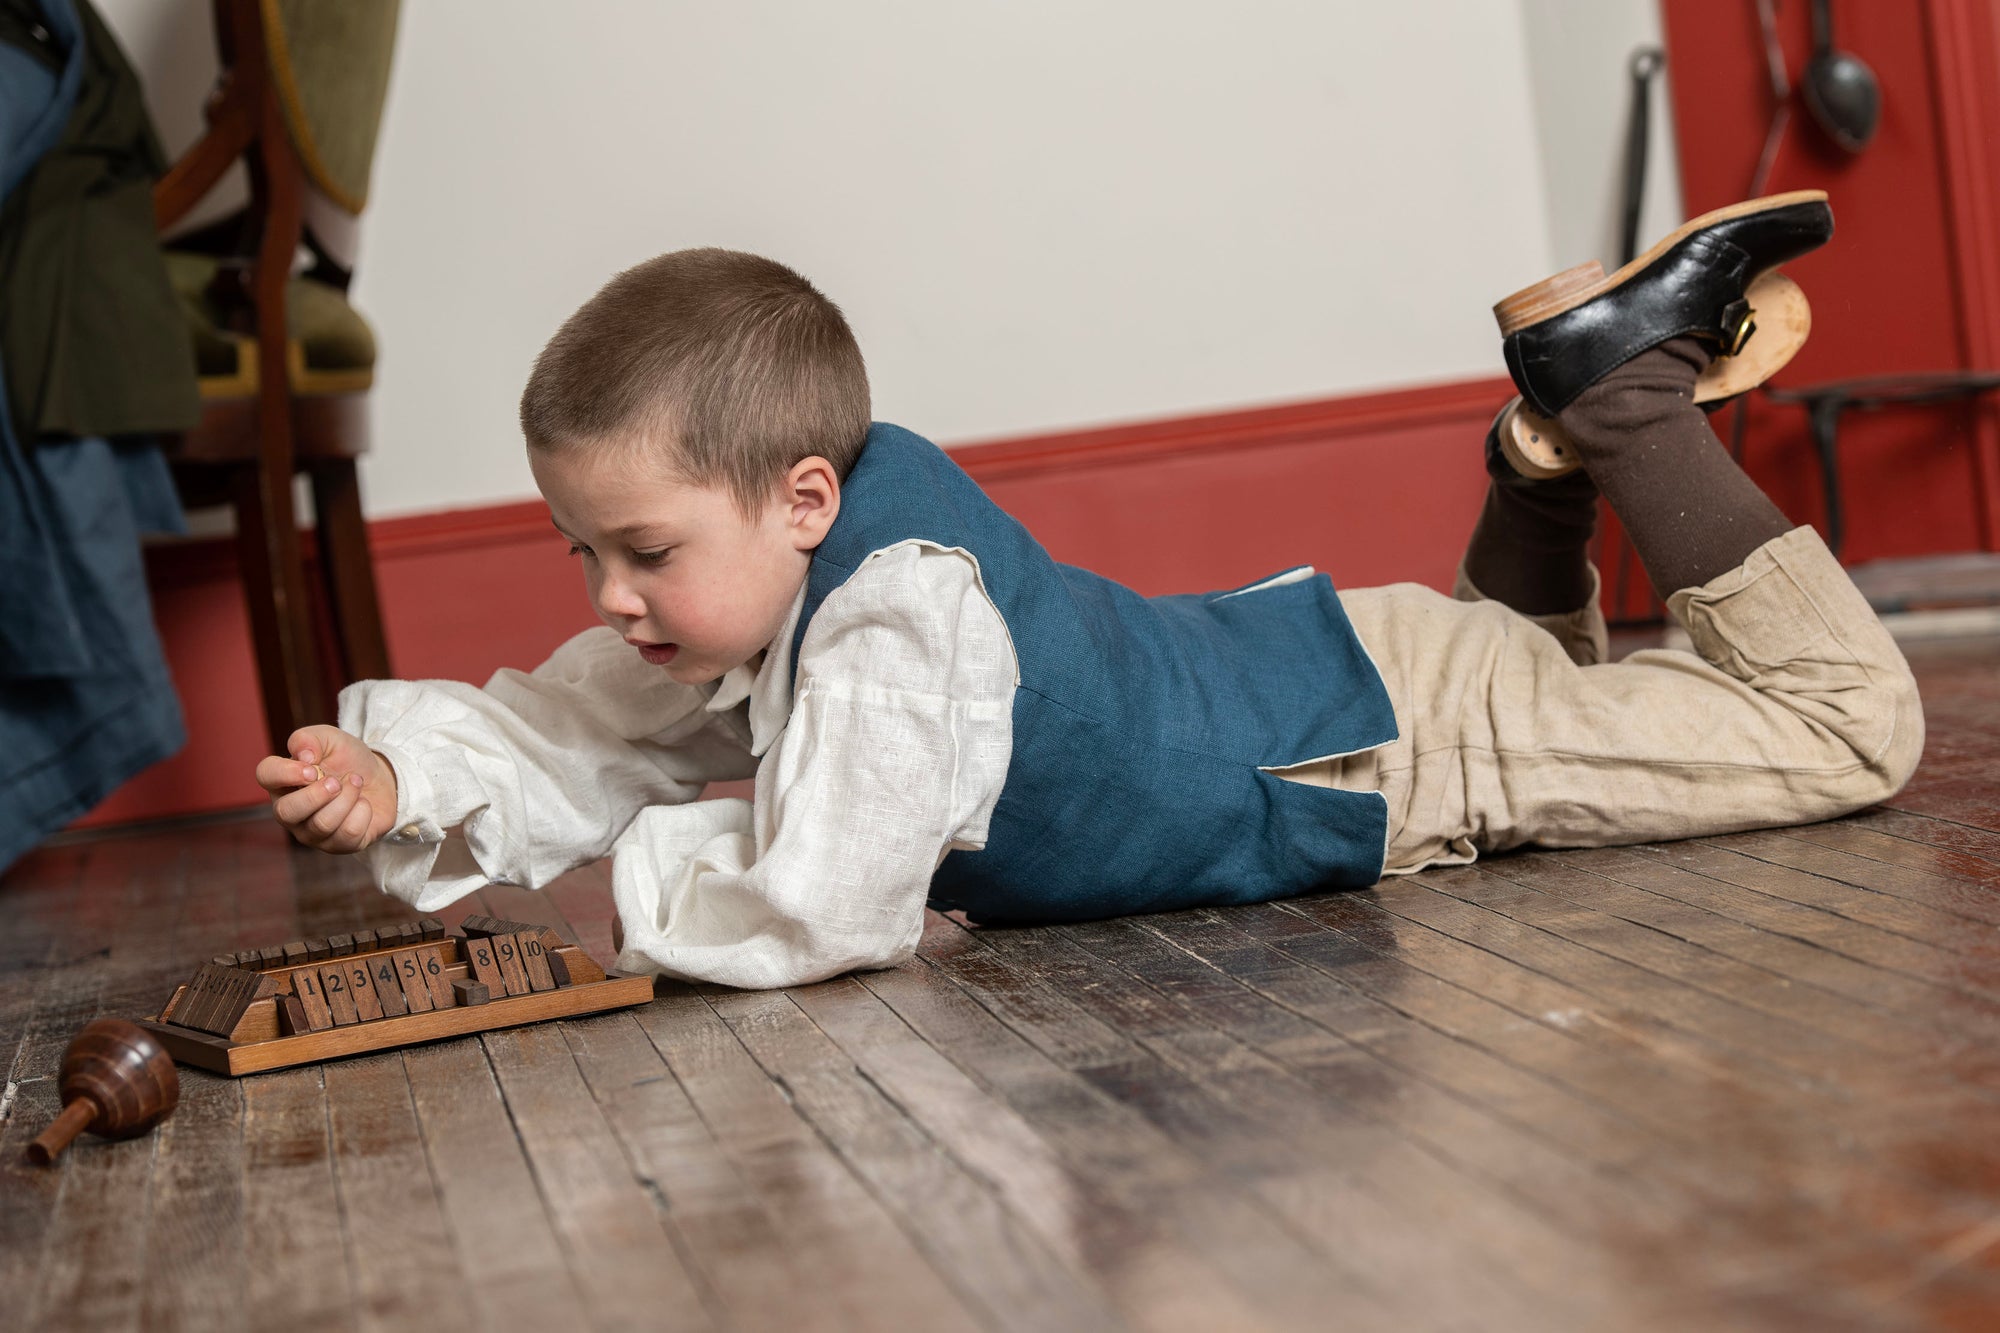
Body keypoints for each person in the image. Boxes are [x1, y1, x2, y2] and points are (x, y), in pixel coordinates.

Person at [256, 192, 1923, 990]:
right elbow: (580, 724)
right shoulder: (785, 552)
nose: (615, 595)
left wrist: (629, 894)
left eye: (645, 551)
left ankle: (1619, 393)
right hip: (1355, 664)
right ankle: (1545, 469)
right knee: (1554, 673)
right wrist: (406, 774)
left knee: (1850, 726)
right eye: (587, 553)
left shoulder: (895, 622)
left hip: (1390, 743)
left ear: (801, 498)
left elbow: (828, 903)